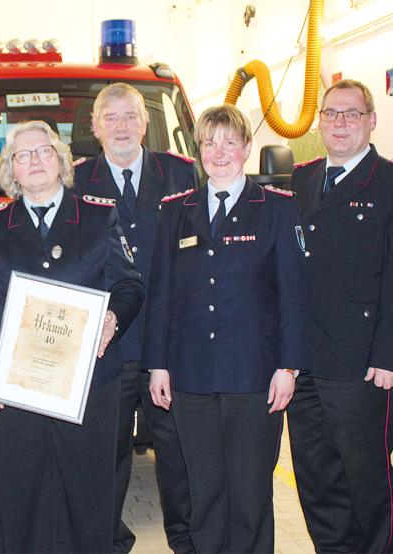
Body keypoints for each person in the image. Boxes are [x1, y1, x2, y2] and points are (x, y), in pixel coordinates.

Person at [0, 119, 144, 553]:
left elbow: (129, 285)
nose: (34, 161)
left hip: (88, 388)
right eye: (22, 155)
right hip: (17, 389)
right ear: (11, 170)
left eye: (43, 150)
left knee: (87, 494)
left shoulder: (100, 216)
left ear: (61, 159)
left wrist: (113, 319)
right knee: (19, 494)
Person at [143, 104, 307, 553]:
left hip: (254, 376)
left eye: (229, 142)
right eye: (210, 143)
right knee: (205, 491)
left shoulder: (276, 209)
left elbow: (293, 295)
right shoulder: (176, 212)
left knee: (251, 490)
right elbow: (161, 295)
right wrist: (157, 365)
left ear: (247, 149)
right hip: (191, 375)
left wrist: (288, 368)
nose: (219, 152)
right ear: (198, 150)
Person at [287, 79, 393, 553]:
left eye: (351, 113)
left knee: (366, 480)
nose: (340, 122)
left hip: (362, 364)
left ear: (371, 120)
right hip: (305, 360)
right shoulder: (303, 179)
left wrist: (392, 356)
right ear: (320, 122)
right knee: (315, 478)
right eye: (331, 113)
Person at [73, 82, 196, 554]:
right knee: (105, 453)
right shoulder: (78, 182)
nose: (121, 126)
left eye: (130, 116)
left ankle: (186, 541)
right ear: (96, 127)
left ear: (146, 124)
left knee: (179, 455)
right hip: (108, 345)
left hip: (170, 344)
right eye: (111, 118)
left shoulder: (184, 173)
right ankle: (106, 540)